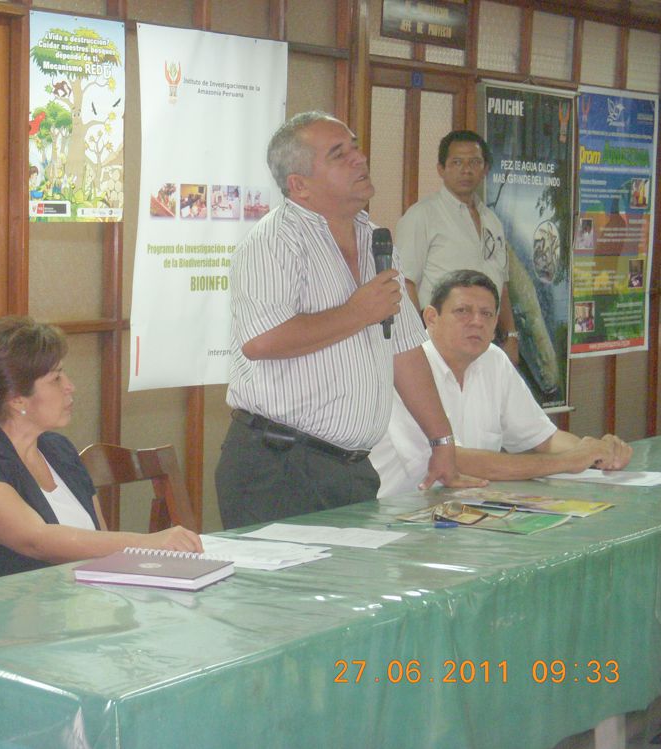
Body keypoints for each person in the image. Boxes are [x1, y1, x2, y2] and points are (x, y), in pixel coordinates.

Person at [215, 111, 482, 529]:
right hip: (278, 468)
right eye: (339, 154)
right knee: (287, 596)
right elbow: (261, 341)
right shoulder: (272, 242)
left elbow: (406, 350)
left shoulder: (376, 239)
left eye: (355, 146)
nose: (360, 158)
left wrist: (442, 440)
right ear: (299, 185)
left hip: (352, 468)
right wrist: (357, 312)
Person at [0, 316, 201, 586]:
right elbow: (37, 540)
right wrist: (145, 543)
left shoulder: (58, 449)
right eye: (56, 378)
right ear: (16, 399)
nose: (70, 386)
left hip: (80, 609)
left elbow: (99, 539)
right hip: (4, 620)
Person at [371, 270, 632, 497]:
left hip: (469, 510)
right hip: (399, 512)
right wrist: (569, 460)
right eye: (462, 311)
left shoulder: (494, 360)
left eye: (486, 314)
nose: (476, 321)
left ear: (496, 322)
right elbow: (451, 460)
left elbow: (544, 438)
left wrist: (598, 452)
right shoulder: (404, 367)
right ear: (431, 317)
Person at [395, 130, 521, 365]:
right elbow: (405, 283)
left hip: (487, 340)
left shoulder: (492, 220)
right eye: (456, 162)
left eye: (475, 162)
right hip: (440, 343)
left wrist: (512, 336)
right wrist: (419, 341)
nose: (466, 170)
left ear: (485, 169)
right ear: (441, 169)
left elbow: (501, 284)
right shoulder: (421, 216)